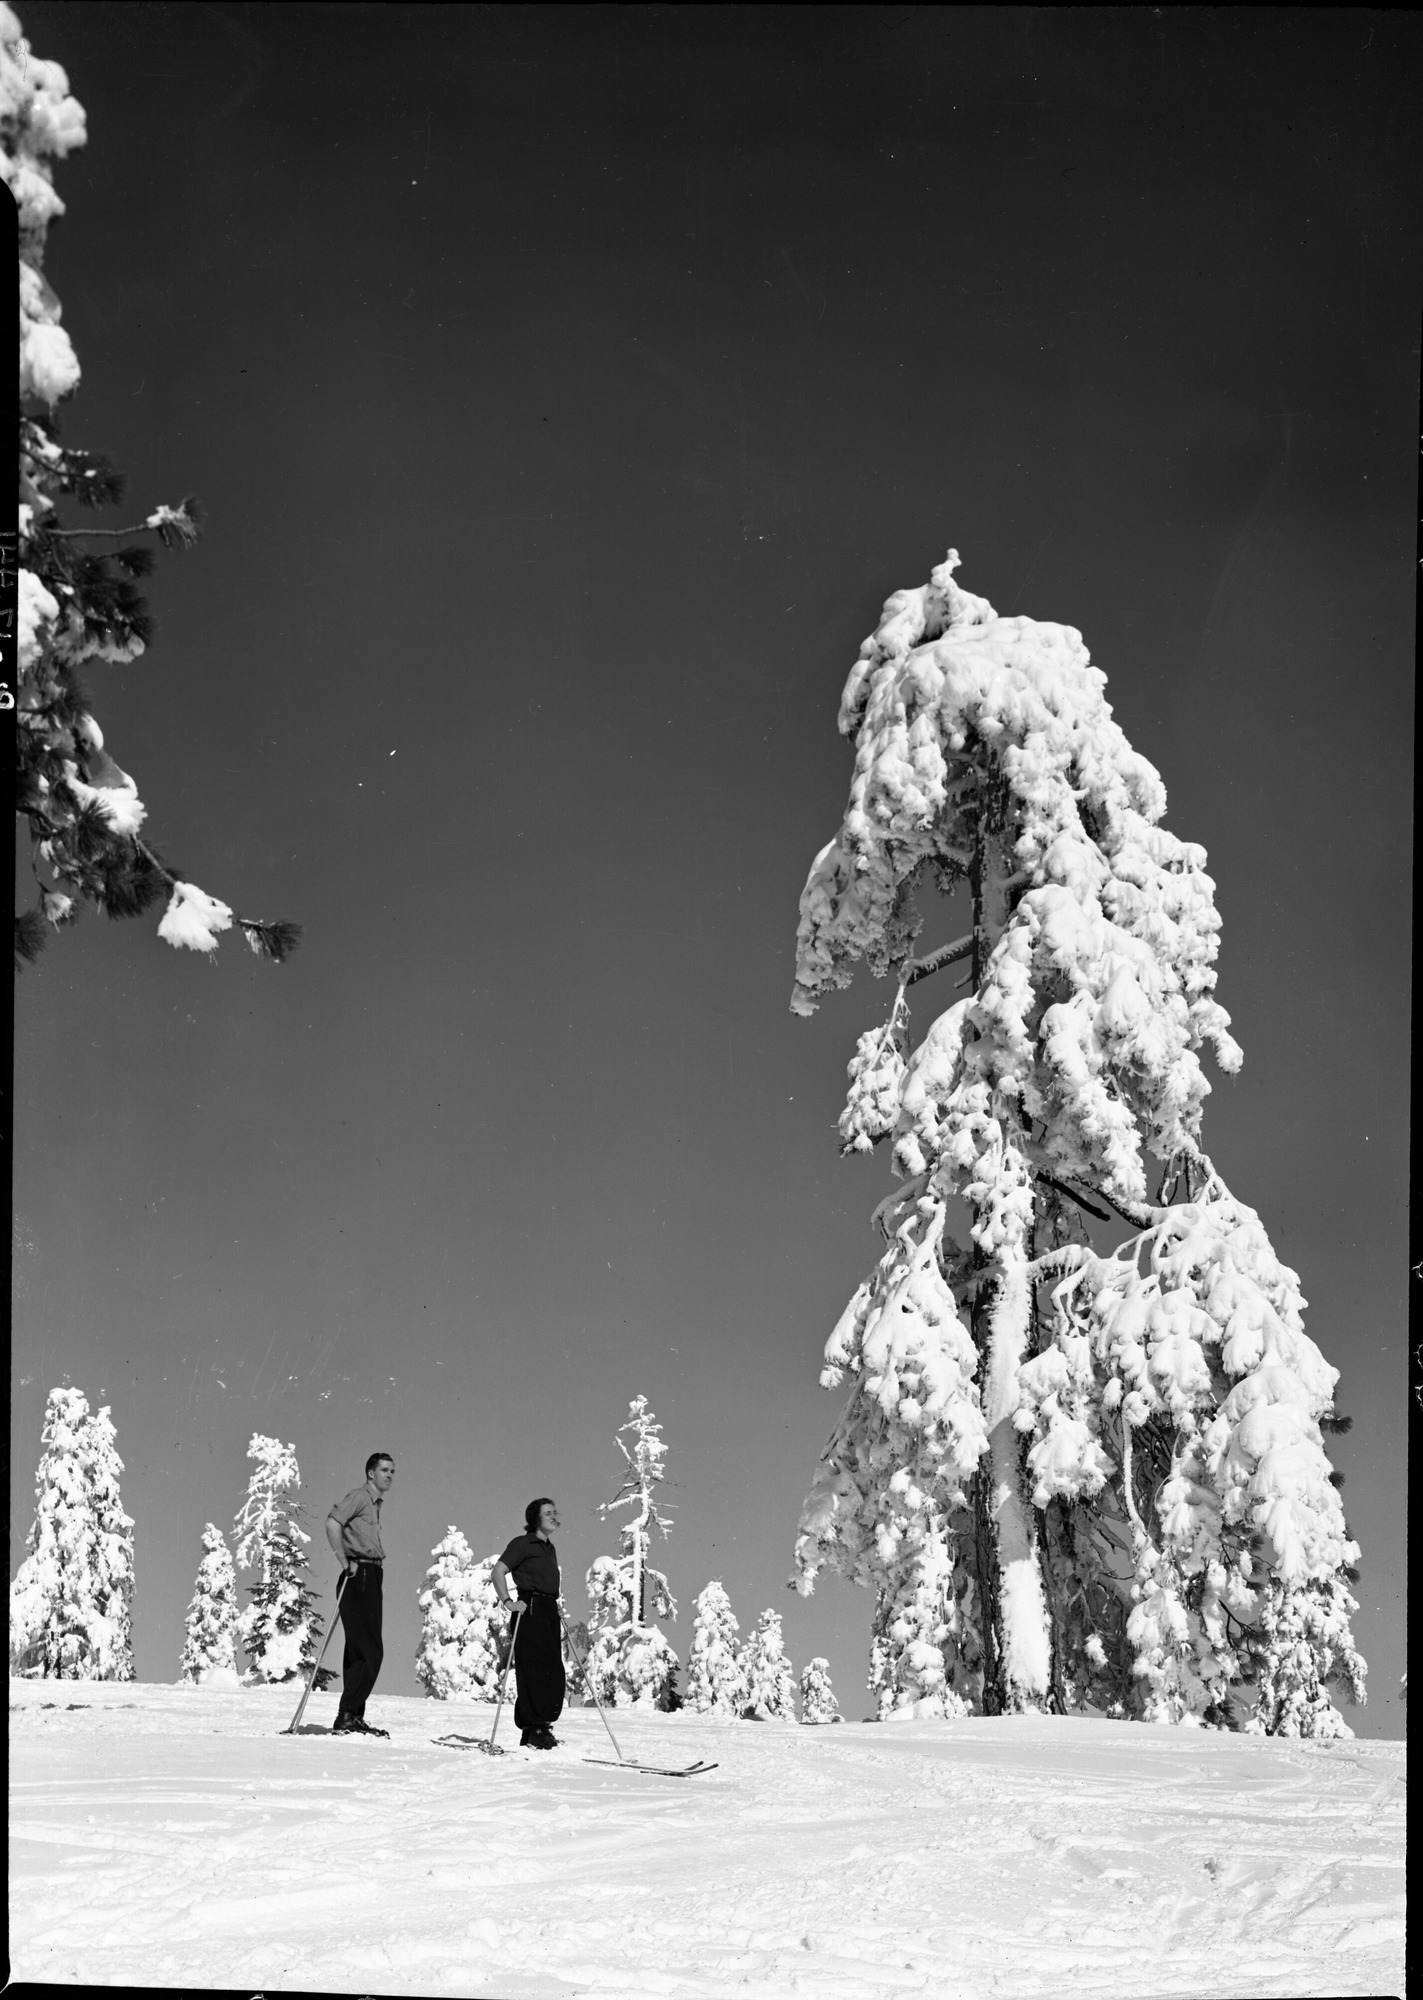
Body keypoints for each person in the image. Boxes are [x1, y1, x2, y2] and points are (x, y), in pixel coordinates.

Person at [325, 1452, 394, 1737]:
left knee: (359, 1648)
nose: (389, 1475)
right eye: (384, 1470)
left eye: (392, 1471)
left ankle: (352, 1715)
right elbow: (332, 1522)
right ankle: (348, 1713)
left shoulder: (374, 1504)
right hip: (359, 1573)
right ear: (370, 1473)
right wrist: (344, 1562)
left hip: (370, 1573)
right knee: (369, 1649)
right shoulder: (360, 1497)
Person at [491, 1498, 566, 1749]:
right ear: (535, 1518)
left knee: (553, 1671)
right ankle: (535, 1728)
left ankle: (535, 1727)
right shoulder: (522, 1544)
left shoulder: (549, 1548)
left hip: (548, 1610)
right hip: (529, 1608)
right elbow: (498, 1571)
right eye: (548, 1513)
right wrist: (508, 1602)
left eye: (555, 1512)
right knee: (534, 1669)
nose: (554, 1516)